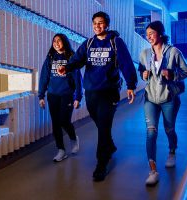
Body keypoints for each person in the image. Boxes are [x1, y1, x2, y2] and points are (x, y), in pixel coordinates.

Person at [57, 11, 138, 181]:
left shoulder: (116, 42)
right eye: (95, 23)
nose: (97, 26)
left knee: (103, 126)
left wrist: (131, 85)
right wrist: (67, 67)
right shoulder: (88, 44)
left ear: (107, 25)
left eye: (100, 23)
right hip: (92, 92)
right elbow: (77, 60)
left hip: (109, 92)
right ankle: (110, 146)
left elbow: (126, 64)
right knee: (101, 124)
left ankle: (101, 163)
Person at [138, 21, 187, 186]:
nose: (149, 37)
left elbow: (186, 72)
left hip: (169, 98)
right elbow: (142, 72)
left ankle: (172, 151)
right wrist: (144, 75)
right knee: (151, 132)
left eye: (152, 33)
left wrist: (172, 74)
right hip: (150, 98)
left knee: (169, 129)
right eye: (147, 34)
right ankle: (153, 171)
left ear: (160, 34)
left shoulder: (174, 52)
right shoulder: (145, 54)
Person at [38, 33, 83, 162]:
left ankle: (74, 138)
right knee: (56, 123)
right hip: (52, 95)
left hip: (67, 95)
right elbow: (44, 77)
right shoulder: (51, 57)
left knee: (64, 120)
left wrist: (78, 97)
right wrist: (41, 95)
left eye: (59, 41)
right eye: (54, 41)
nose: (56, 43)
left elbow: (78, 79)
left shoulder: (71, 57)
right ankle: (61, 150)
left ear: (64, 42)